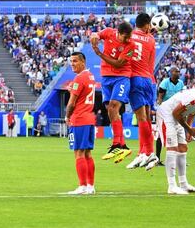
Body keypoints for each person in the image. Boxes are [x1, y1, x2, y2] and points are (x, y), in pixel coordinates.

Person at [90, 21, 135, 163]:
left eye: (129, 36)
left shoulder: (131, 45)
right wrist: (94, 36)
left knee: (114, 106)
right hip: (106, 77)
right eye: (125, 37)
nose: (128, 39)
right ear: (118, 33)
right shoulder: (109, 32)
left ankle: (116, 144)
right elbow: (97, 34)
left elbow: (118, 63)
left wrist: (99, 53)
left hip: (122, 77)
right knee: (109, 109)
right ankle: (123, 146)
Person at [126, 13, 158, 169]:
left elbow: (127, 56)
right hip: (148, 79)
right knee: (145, 118)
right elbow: (151, 63)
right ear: (146, 24)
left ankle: (150, 153)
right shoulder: (151, 39)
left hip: (135, 78)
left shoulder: (130, 36)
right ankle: (142, 153)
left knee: (141, 118)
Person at [65, 52, 98, 195]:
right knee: (87, 153)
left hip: (79, 119)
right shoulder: (90, 76)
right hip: (89, 118)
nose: (72, 64)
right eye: (71, 61)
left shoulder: (79, 78)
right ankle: (90, 186)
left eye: (75, 61)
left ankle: (82, 186)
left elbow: (71, 103)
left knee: (78, 153)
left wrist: (67, 116)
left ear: (83, 62)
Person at [147, 67, 186, 170]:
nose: (177, 73)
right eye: (175, 71)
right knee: (161, 134)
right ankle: (157, 158)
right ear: (171, 73)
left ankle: (179, 160)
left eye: (178, 71)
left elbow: (183, 96)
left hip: (176, 110)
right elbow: (160, 96)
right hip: (165, 110)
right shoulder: (165, 82)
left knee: (178, 133)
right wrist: (159, 106)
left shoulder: (181, 83)